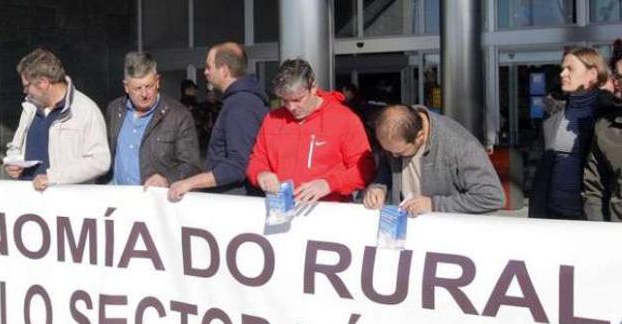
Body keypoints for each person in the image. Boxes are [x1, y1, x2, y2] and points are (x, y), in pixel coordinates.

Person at [247, 58, 375, 204]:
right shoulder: (273, 119)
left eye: (297, 99)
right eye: (285, 100)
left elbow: (365, 168)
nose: (291, 107)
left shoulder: (344, 119)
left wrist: (329, 184)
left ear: (313, 87)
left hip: (328, 210)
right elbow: (257, 159)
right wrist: (261, 174)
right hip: (282, 209)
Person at [168, 42, 268, 201]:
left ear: (224, 70)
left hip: (235, 202)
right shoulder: (238, 101)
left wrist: (190, 183)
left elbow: (237, 166)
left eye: (209, 67)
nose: (205, 72)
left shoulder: (240, 105)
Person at [363, 104, 505, 215]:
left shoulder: (460, 146)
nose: (394, 157)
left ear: (420, 136)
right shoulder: (397, 130)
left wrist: (433, 204)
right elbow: (387, 169)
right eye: (389, 151)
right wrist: (379, 187)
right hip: (402, 228)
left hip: (445, 235)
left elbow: (492, 197)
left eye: (399, 152)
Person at [4, 48, 110, 190]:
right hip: (28, 200)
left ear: (43, 83)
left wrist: (54, 177)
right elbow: (16, 146)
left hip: (65, 204)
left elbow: (100, 161)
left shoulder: (85, 110)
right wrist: (13, 162)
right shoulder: (30, 107)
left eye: (27, 86)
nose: (25, 92)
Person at [529, 47, 611, 220]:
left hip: (590, 217)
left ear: (593, 74)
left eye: (570, 68)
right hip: (552, 214)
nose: (563, 73)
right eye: (562, 68)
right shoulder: (554, 112)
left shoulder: (607, 115)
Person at [105, 51, 201, 186]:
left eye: (148, 86)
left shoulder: (178, 115)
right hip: (117, 198)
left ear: (157, 81)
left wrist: (167, 179)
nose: (144, 94)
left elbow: (192, 166)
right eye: (137, 88)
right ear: (126, 87)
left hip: (154, 200)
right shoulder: (114, 110)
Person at [582, 62, 622, 221]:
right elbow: (594, 189)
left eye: (620, 77)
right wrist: (598, 231)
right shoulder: (604, 127)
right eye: (616, 75)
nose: (615, 81)